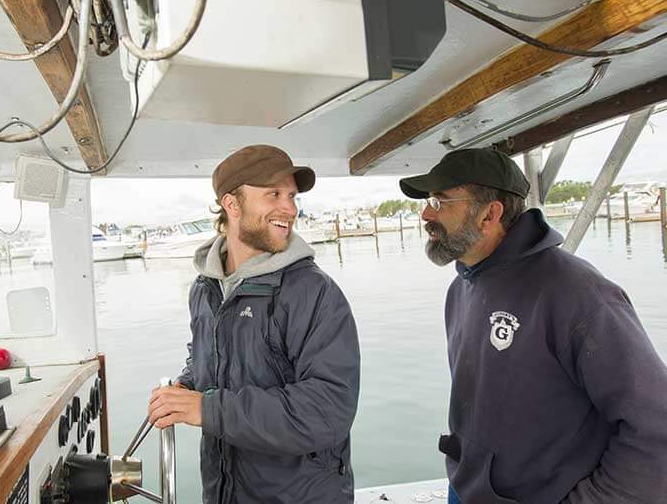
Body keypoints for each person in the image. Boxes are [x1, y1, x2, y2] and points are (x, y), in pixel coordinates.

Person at [400, 147, 667, 504]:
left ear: (489, 215)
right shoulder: (461, 288)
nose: (425, 214)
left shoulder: (576, 292)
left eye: (440, 201)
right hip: (466, 489)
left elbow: (654, 428)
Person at [148, 144, 361, 504]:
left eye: (291, 196)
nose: (290, 208)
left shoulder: (314, 292)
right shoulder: (205, 288)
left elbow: (328, 409)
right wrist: (187, 386)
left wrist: (207, 408)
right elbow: (208, 358)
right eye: (273, 194)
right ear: (232, 204)